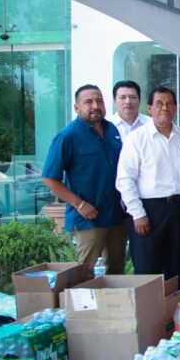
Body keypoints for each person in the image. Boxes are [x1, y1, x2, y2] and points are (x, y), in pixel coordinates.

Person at [42, 84, 127, 273]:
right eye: (88, 102)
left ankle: (112, 295)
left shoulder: (112, 129)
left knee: (117, 269)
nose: (95, 106)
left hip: (116, 215)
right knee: (85, 272)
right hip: (89, 218)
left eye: (99, 101)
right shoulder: (68, 136)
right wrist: (79, 204)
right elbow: (49, 178)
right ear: (76, 107)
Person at [115, 87, 180, 286]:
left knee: (177, 269)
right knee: (148, 270)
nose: (164, 108)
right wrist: (137, 214)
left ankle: (175, 305)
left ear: (175, 107)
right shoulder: (137, 138)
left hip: (179, 209)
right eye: (159, 103)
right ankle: (150, 307)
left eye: (169, 103)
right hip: (149, 210)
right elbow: (125, 179)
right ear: (149, 108)